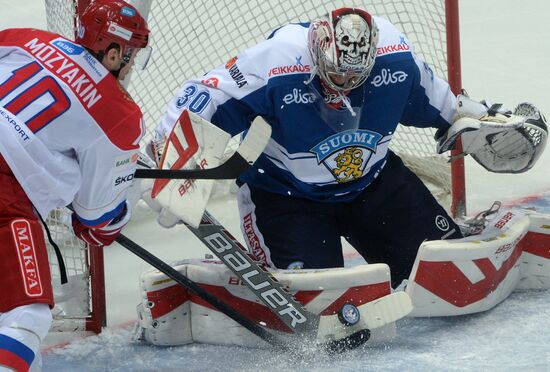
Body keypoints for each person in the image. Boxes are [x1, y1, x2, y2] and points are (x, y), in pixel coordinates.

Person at [153, 8, 545, 292]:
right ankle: (249, 270)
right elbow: (204, 95)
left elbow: (448, 107)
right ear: (318, 50)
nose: (343, 84)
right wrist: (165, 161)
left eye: (355, 76)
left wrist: (487, 124)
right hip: (285, 199)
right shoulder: (276, 63)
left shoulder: (395, 61)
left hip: (374, 188)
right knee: (313, 299)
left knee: (444, 273)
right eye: (336, 73)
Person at [0, 0, 150, 370]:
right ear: (113, 53)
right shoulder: (120, 114)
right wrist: (131, 190)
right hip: (5, 192)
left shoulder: (28, 39)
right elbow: (95, 225)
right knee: (24, 316)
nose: (132, 64)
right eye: (130, 54)